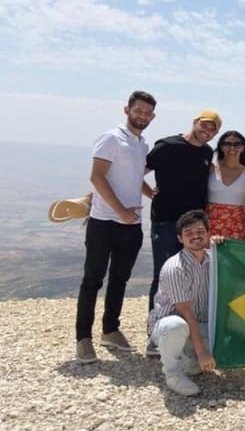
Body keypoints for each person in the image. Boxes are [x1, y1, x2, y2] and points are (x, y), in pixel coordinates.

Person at [75, 91, 156, 363]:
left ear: (152, 117)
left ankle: (110, 330)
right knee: (93, 280)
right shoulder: (111, 138)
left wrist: (151, 193)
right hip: (104, 221)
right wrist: (120, 210)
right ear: (127, 110)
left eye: (147, 113)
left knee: (120, 279)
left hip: (130, 225)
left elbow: (133, 177)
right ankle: (83, 339)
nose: (142, 116)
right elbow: (97, 177)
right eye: (139, 110)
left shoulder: (142, 144)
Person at [146, 110, 220, 311]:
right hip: (166, 222)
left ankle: (186, 323)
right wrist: (148, 192)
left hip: (194, 227)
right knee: (163, 273)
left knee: (193, 273)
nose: (208, 131)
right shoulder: (167, 146)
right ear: (195, 122)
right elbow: (137, 172)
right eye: (205, 125)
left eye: (213, 129)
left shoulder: (207, 152)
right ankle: (156, 326)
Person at [148, 210, 217, 396]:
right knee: (176, 325)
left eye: (200, 231)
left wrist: (225, 246)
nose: (196, 236)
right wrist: (202, 352)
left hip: (199, 324)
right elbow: (186, 312)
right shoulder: (175, 267)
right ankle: (173, 375)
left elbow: (244, 276)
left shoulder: (215, 259)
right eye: (189, 233)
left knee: (232, 345)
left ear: (209, 234)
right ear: (180, 238)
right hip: (169, 325)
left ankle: (189, 360)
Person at [207, 131, 245, 240]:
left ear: (243, 148)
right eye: (227, 144)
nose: (232, 148)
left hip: (237, 225)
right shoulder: (211, 169)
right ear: (221, 147)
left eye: (237, 144)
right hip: (210, 224)